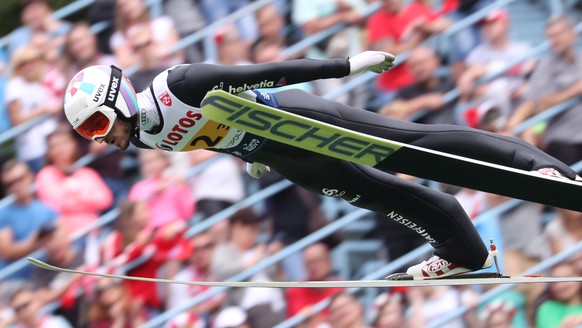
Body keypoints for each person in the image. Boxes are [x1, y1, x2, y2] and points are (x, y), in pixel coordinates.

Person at [62, 50, 581, 279]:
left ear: (118, 101)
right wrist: (246, 158)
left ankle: (541, 168)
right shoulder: (144, 139)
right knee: (380, 194)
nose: (101, 141)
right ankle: (462, 251)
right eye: (89, 135)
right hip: (280, 157)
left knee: (410, 143)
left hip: (295, 120)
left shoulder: (179, 85)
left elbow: (269, 71)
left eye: (97, 127)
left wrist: (346, 66)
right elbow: (206, 137)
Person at [0, 160, 59, 281]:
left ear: (30, 176)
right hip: (16, 281)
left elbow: (62, 235)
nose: (16, 186)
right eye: (10, 184)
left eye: (20, 179)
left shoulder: (46, 207)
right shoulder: (3, 213)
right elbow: (7, 252)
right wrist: (34, 244)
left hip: (47, 273)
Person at [286, 243, 344, 326]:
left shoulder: (341, 286)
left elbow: (345, 320)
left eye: (318, 260)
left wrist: (315, 318)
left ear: (329, 262)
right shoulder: (296, 290)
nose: (314, 266)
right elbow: (296, 324)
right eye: (309, 263)